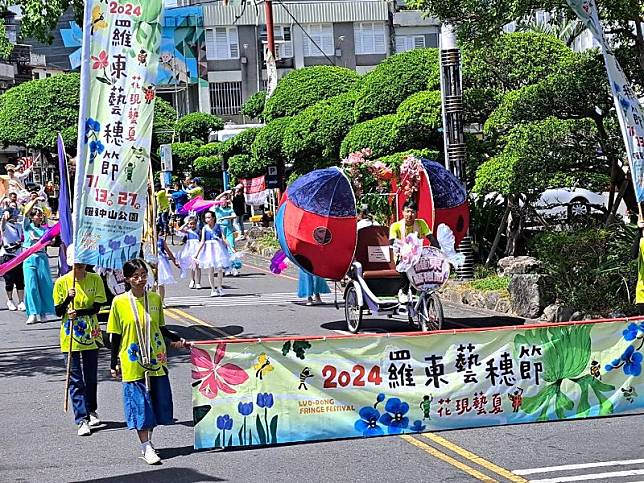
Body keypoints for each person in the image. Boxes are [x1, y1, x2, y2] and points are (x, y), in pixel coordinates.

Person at [107, 258, 188, 465]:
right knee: (140, 404)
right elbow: (115, 335)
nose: (141, 279)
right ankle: (146, 447)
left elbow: (161, 328)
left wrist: (176, 340)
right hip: (132, 359)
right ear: (126, 279)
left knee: (155, 402)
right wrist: (113, 362)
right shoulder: (119, 302)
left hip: (156, 358)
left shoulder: (154, 299)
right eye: (135, 276)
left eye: (143, 275)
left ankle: (149, 441)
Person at [54, 245, 107, 436]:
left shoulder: (95, 279)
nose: (80, 268)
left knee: (91, 376)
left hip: (90, 333)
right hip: (70, 336)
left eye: (83, 264)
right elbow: (58, 311)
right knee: (75, 378)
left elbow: (97, 307)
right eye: (77, 265)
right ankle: (81, 418)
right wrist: (68, 300)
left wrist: (81, 312)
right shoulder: (62, 282)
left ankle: (91, 409)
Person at [389, 200, 440, 303]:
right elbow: (393, 242)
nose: (410, 214)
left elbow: (430, 237)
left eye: (413, 212)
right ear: (403, 212)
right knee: (406, 270)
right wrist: (398, 252)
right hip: (402, 256)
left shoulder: (421, 223)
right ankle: (403, 292)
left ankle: (416, 293)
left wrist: (438, 250)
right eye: (407, 211)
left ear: (416, 213)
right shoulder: (396, 226)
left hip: (417, 256)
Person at [22, 199, 55, 324]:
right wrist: (35, 200)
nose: (39, 217)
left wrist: (51, 240)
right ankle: (32, 313)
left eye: (41, 215)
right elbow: (26, 212)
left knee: (44, 285)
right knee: (31, 286)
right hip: (29, 258)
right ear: (32, 217)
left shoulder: (45, 230)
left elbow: (51, 242)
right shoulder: (27, 226)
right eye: (37, 215)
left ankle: (43, 312)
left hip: (41, 258)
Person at [193, 210, 231, 297]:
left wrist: (231, 248)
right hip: (209, 250)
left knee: (220, 269)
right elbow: (202, 241)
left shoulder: (218, 227)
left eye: (209, 217)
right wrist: (196, 254)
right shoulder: (204, 228)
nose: (207, 219)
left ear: (213, 218)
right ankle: (213, 289)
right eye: (206, 218)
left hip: (218, 248)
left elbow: (224, 238)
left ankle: (220, 287)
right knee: (210, 269)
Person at [0, 203, 25, 311]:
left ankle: (21, 301)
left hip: (18, 256)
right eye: (14, 214)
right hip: (7, 256)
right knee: (9, 280)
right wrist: (4, 216)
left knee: (20, 280)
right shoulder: (5, 226)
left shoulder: (19, 225)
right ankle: (10, 300)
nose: (16, 216)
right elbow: (2, 224)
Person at [215, 192, 238, 276]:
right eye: (221, 201)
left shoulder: (229, 209)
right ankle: (226, 268)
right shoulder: (218, 209)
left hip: (228, 230)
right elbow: (216, 199)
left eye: (224, 201)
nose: (223, 202)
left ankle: (234, 267)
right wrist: (224, 193)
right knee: (222, 250)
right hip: (219, 230)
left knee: (231, 247)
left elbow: (234, 216)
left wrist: (224, 217)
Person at [177, 215, 201, 288]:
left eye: (193, 223)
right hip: (190, 249)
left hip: (197, 249)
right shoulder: (188, 231)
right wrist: (186, 224)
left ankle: (198, 282)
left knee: (197, 266)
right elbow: (180, 229)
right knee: (192, 266)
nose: (192, 225)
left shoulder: (199, 231)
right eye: (190, 224)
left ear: (196, 223)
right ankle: (192, 280)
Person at [155, 236, 179, 306]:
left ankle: (161, 301)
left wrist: (174, 261)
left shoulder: (161, 241)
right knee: (152, 284)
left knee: (160, 283)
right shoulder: (146, 239)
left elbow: (168, 251)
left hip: (161, 262)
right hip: (151, 261)